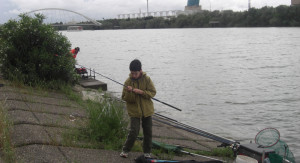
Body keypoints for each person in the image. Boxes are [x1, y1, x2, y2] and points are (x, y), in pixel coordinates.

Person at [120, 59, 156, 159]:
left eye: (135, 73)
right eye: (132, 73)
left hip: (147, 110)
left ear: (140, 71)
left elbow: (153, 93)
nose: (134, 75)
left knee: (148, 131)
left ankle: (147, 152)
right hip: (134, 111)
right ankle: (125, 150)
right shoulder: (128, 82)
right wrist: (130, 92)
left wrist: (141, 92)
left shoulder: (147, 79)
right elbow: (124, 98)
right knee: (134, 132)